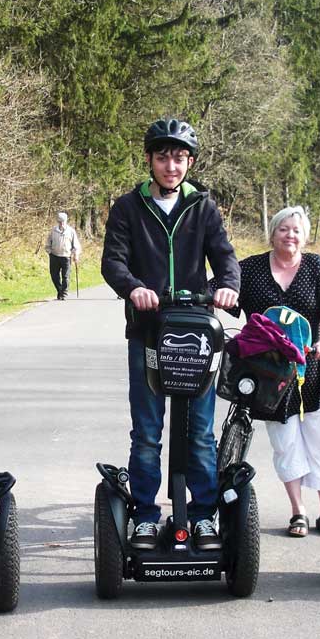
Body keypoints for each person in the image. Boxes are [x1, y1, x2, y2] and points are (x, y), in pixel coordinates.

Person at [101, 117, 241, 549]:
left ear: (190, 162)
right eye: (163, 157)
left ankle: (202, 515)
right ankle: (144, 515)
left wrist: (227, 288)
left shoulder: (204, 207)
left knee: (200, 430)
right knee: (147, 431)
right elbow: (114, 262)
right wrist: (135, 288)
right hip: (147, 332)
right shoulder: (128, 207)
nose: (171, 166)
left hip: (196, 334)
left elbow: (225, 258)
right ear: (150, 160)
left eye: (179, 158)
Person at [237, 206, 320, 537]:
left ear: (305, 235)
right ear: (272, 232)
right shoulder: (251, 269)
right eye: (284, 229)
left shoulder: (315, 266)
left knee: (319, 438)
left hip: (312, 368)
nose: (290, 235)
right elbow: (221, 287)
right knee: (285, 441)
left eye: (296, 230)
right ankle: (298, 511)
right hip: (269, 373)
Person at [42, 211, 82, 300]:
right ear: (57, 221)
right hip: (54, 256)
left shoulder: (71, 231)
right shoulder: (53, 230)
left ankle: (64, 293)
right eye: (60, 221)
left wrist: (76, 255)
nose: (61, 223)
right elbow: (48, 243)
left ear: (66, 221)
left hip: (66, 257)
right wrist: (49, 252)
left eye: (63, 221)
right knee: (54, 276)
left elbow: (76, 245)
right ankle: (60, 290)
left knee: (65, 276)